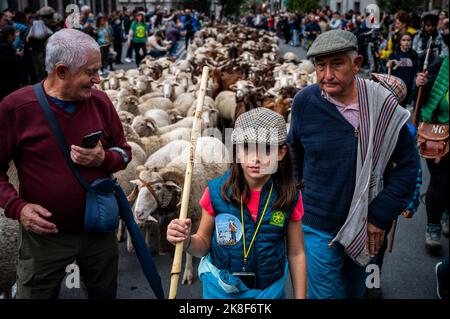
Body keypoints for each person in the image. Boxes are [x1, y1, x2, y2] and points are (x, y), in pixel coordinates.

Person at [0, 29, 132, 299]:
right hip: (45, 238)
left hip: (98, 231)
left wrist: (104, 158)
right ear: (61, 71)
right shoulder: (16, 108)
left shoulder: (101, 102)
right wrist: (18, 207)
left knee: (103, 294)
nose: (98, 79)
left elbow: (125, 151)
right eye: (90, 72)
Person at [287, 29, 418, 299]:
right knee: (325, 295)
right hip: (317, 224)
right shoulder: (305, 103)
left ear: (357, 63)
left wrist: (379, 215)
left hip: (366, 223)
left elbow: (407, 166)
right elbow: (293, 152)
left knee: (354, 290)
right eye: (320, 66)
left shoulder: (384, 108)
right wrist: (297, 193)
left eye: (336, 64)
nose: (327, 75)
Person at [167, 108, 307, 299]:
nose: (255, 158)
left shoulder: (289, 197)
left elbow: (296, 253)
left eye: (266, 149)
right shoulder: (216, 192)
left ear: (281, 153)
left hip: (268, 292)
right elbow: (203, 244)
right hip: (221, 291)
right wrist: (187, 240)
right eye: (247, 147)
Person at [413, 35, 449, 252]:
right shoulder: (440, 64)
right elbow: (420, 94)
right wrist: (419, 84)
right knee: (440, 182)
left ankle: (446, 214)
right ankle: (433, 228)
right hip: (439, 134)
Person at [387, 32, 419, 105]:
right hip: (396, 86)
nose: (406, 42)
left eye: (408, 40)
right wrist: (389, 65)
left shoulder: (414, 55)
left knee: (404, 106)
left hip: (408, 86)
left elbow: (416, 69)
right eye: (403, 40)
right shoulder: (394, 53)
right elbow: (388, 67)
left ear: (411, 41)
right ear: (400, 42)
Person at [0, 25, 20, 100]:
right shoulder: (7, 48)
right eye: (14, 34)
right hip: (8, 81)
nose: (15, 36)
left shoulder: (5, 46)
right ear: (10, 35)